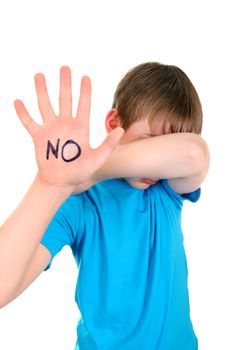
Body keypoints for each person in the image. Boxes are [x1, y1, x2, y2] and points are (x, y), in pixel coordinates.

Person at [0, 63, 209, 350]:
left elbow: (194, 153)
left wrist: (90, 170)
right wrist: (50, 185)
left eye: (165, 147)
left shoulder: (166, 191)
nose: (154, 161)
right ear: (114, 124)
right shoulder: (79, 203)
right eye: (150, 140)